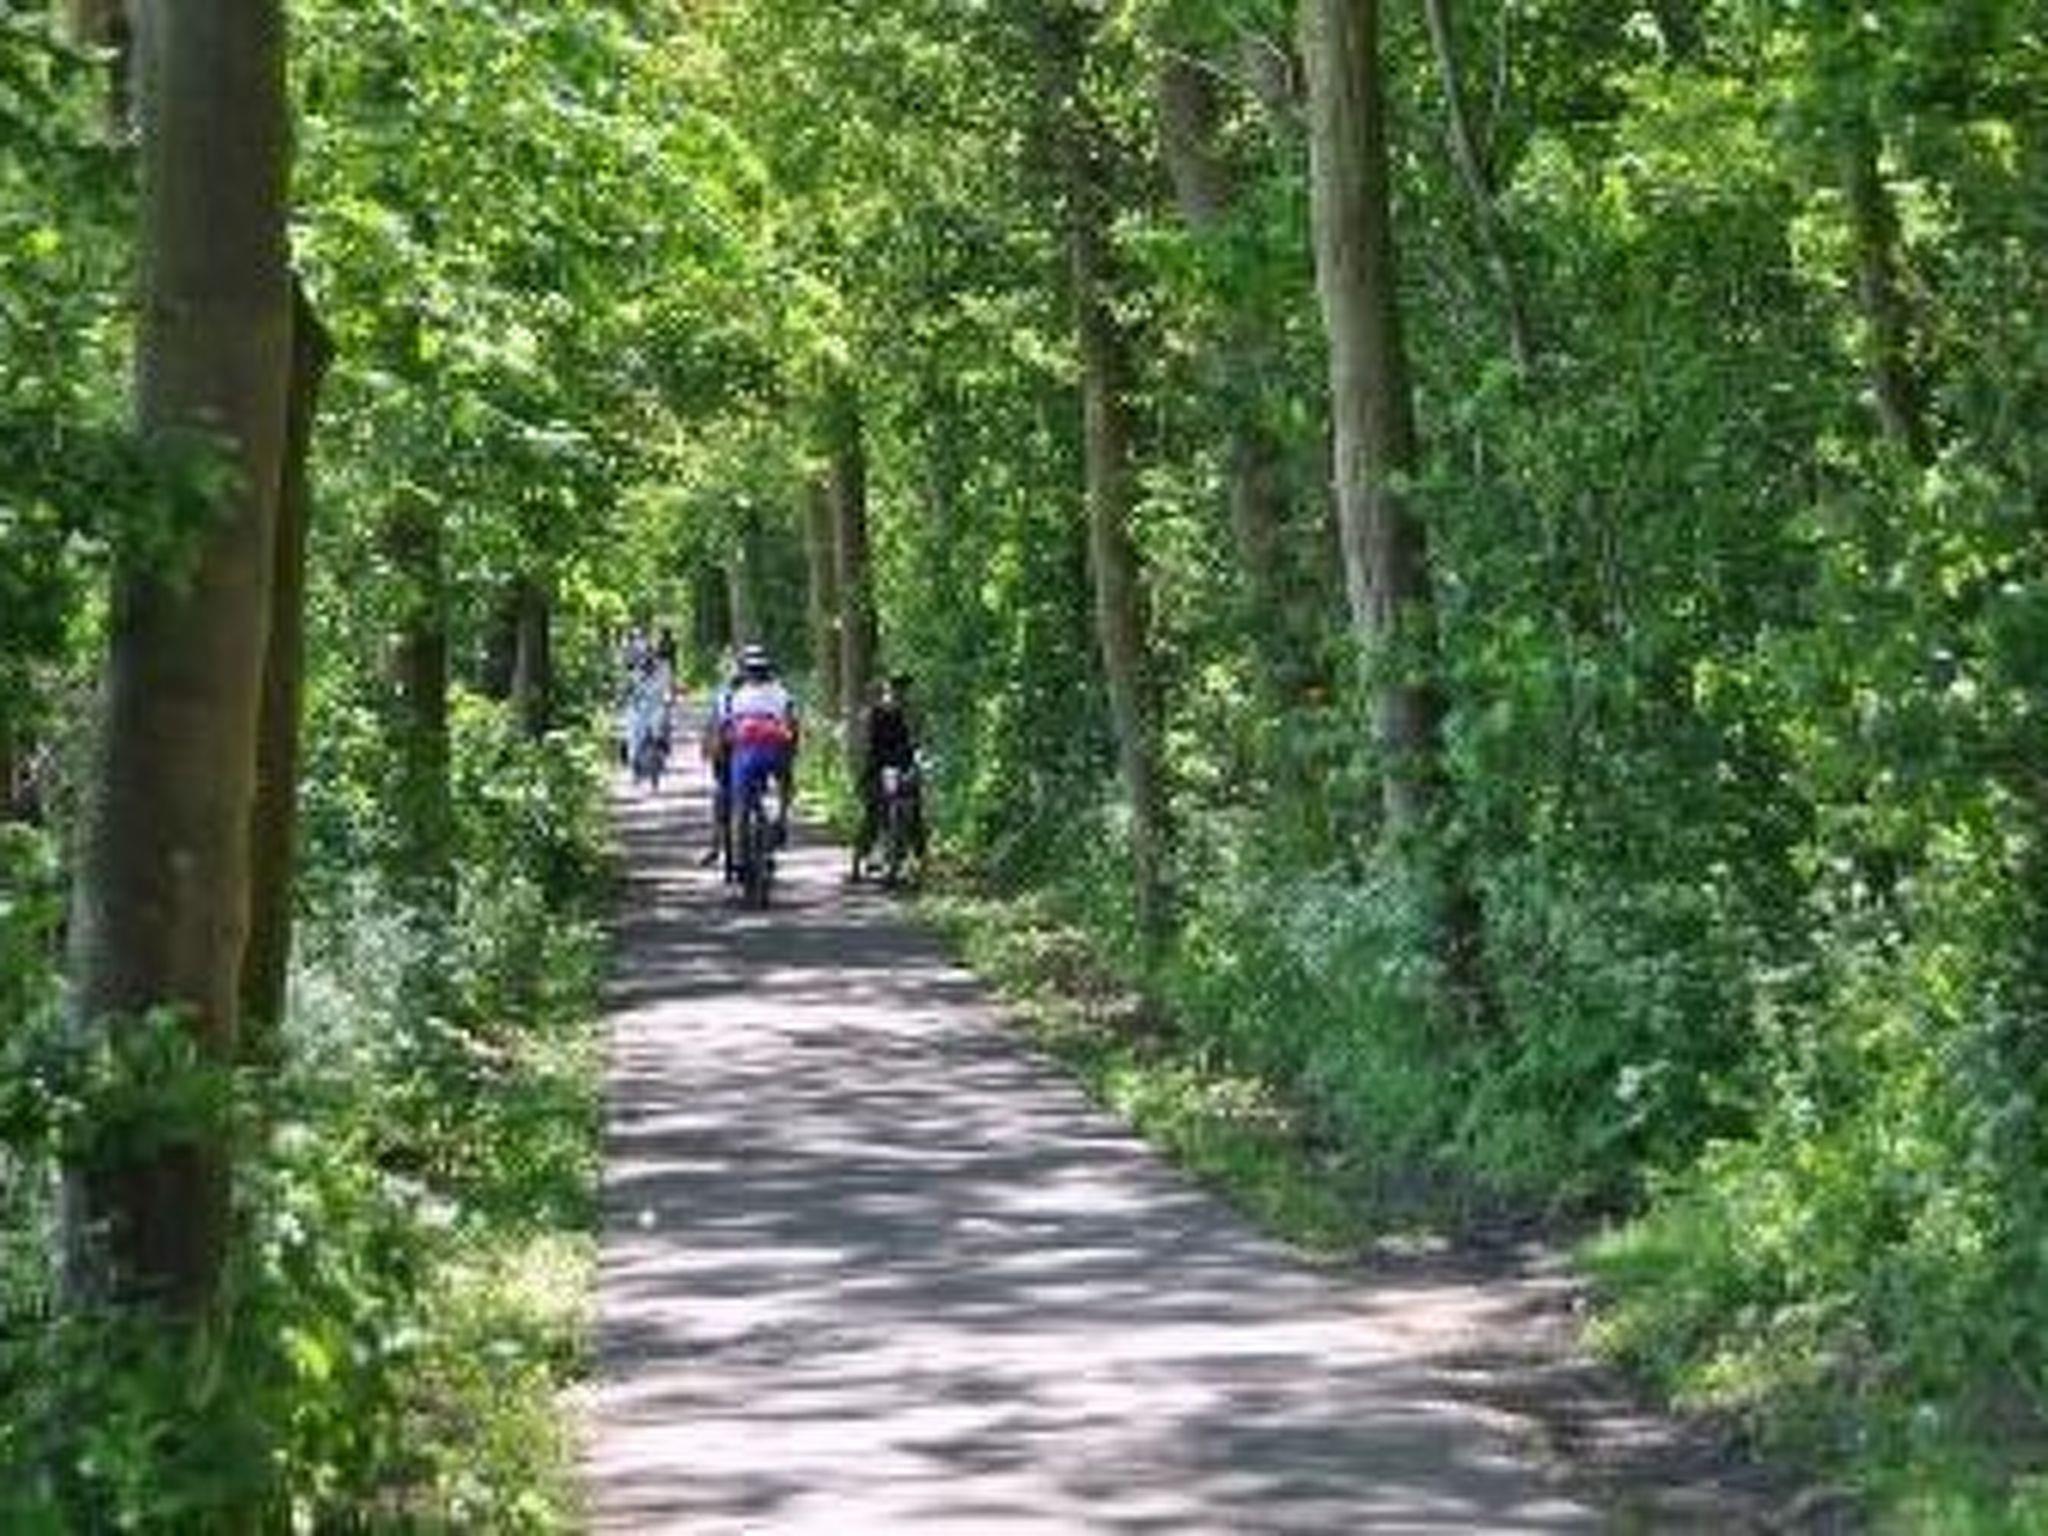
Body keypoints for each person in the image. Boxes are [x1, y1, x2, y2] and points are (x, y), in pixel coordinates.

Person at [718, 644, 799, 866]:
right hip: (775, 752)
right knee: (785, 781)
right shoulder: (780, 693)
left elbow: (724, 727)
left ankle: (739, 855)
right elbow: (792, 724)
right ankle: (782, 818)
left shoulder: (734, 695)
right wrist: (792, 751)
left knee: (740, 802)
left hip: (745, 754)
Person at [853, 673, 925, 880]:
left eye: (903, 691)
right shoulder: (873, 713)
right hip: (878, 766)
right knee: (873, 812)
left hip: (904, 765)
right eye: (896, 690)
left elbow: (918, 740)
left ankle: (917, 858)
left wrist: (918, 760)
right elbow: (866, 742)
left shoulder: (912, 713)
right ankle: (861, 856)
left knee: (914, 810)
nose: (899, 695)